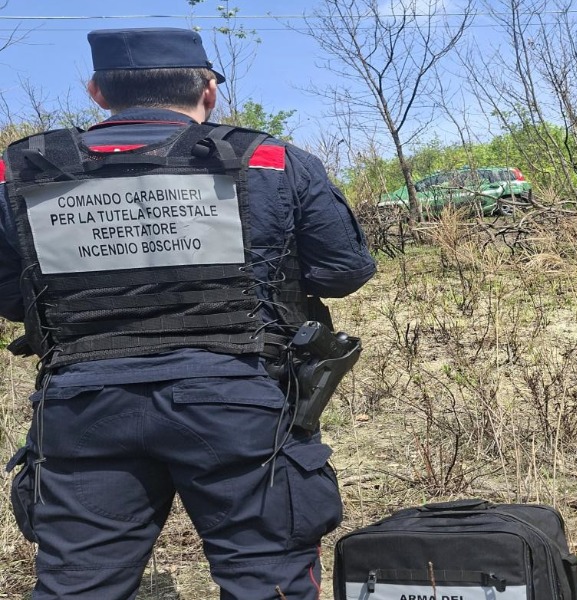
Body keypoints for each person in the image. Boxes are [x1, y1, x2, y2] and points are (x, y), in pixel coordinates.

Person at [0, 28, 376, 599]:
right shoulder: (269, 161)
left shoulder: (23, 171)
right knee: (267, 581)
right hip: (241, 401)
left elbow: (10, 297)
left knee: (78, 586)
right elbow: (343, 272)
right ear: (209, 91)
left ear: (98, 92)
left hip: (81, 404)